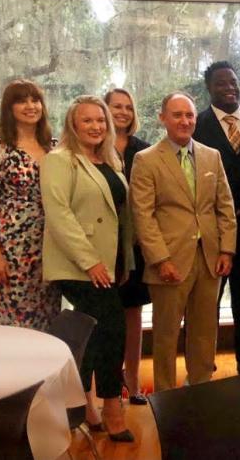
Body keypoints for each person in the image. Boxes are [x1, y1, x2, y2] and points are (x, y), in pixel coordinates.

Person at [41, 96, 134, 441]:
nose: (96, 126)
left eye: (101, 120)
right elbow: (59, 215)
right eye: (87, 121)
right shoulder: (59, 160)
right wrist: (91, 261)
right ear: (72, 125)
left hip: (109, 262)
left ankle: (82, 404)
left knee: (95, 334)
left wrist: (122, 260)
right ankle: (111, 406)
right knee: (113, 329)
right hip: (77, 264)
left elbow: (119, 216)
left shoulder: (110, 158)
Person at [130, 92, 237, 392]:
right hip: (169, 262)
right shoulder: (146, 160)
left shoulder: (211, 156)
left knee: (205, 332)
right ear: (163, 118)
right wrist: (160, 259)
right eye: (177, 115)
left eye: (189, 115)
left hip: (209, 259)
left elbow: (225, 207)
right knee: (166, 335)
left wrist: (227, 249)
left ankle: (200, 389)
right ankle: (165, 397)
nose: (185, 121)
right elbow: (143, 215)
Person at [193, 61, 240, 374]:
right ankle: (201, 371)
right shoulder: (195, 126)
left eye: (233, 82)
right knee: (204, 309)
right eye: (221, 83)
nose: (229, 88)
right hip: (211, 233)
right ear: (209, 88)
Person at [0, 79, 61, 330]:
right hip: (11, 249)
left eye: (35, 100)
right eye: (22, 100)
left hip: (50, 246)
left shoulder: (54, 147)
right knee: (14, 321)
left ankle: (46, 370)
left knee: (48, 318)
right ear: (9, 108)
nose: (30, 106)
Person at [104, 87, 151, 405]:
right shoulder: (91, 148)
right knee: (106, 316)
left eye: (128, 107)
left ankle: (133, 383)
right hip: (101, 245)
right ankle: (106, 384)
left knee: (133, 315)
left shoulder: (143, 150)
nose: (123, 112)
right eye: (116, 106)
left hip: (135, 245)